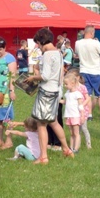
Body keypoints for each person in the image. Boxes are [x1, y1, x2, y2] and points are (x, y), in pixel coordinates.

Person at [24, 28, 73, 164]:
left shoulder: (47, 55)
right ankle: (66, 149)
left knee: (41, 124)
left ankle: (43, 157)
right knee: (54, 122)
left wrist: (33, 77)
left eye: (38, 44)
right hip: (56, 91)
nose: (39, 47)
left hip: (46, 92)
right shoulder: (58, 53)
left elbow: (45, 76)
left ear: (41, 41)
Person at [74, 25, 100, 121]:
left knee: (87, 94)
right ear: (92, 33)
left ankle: (89, 115)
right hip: (96, 71)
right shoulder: (95, 43)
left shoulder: (77, 43)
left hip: (84, 70)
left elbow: (77, 53)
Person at [62, 72, 85, 152]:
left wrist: (82, 115)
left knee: (76, 133)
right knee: (71, 133)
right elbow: (65, 102)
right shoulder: (67, 94)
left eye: (66, 84)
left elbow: (80, 105)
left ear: (72, 83)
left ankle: (76, 148)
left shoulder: (77, 94)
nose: (65, 86)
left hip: (75, 115)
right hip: (69, 116)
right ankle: (71, 148)